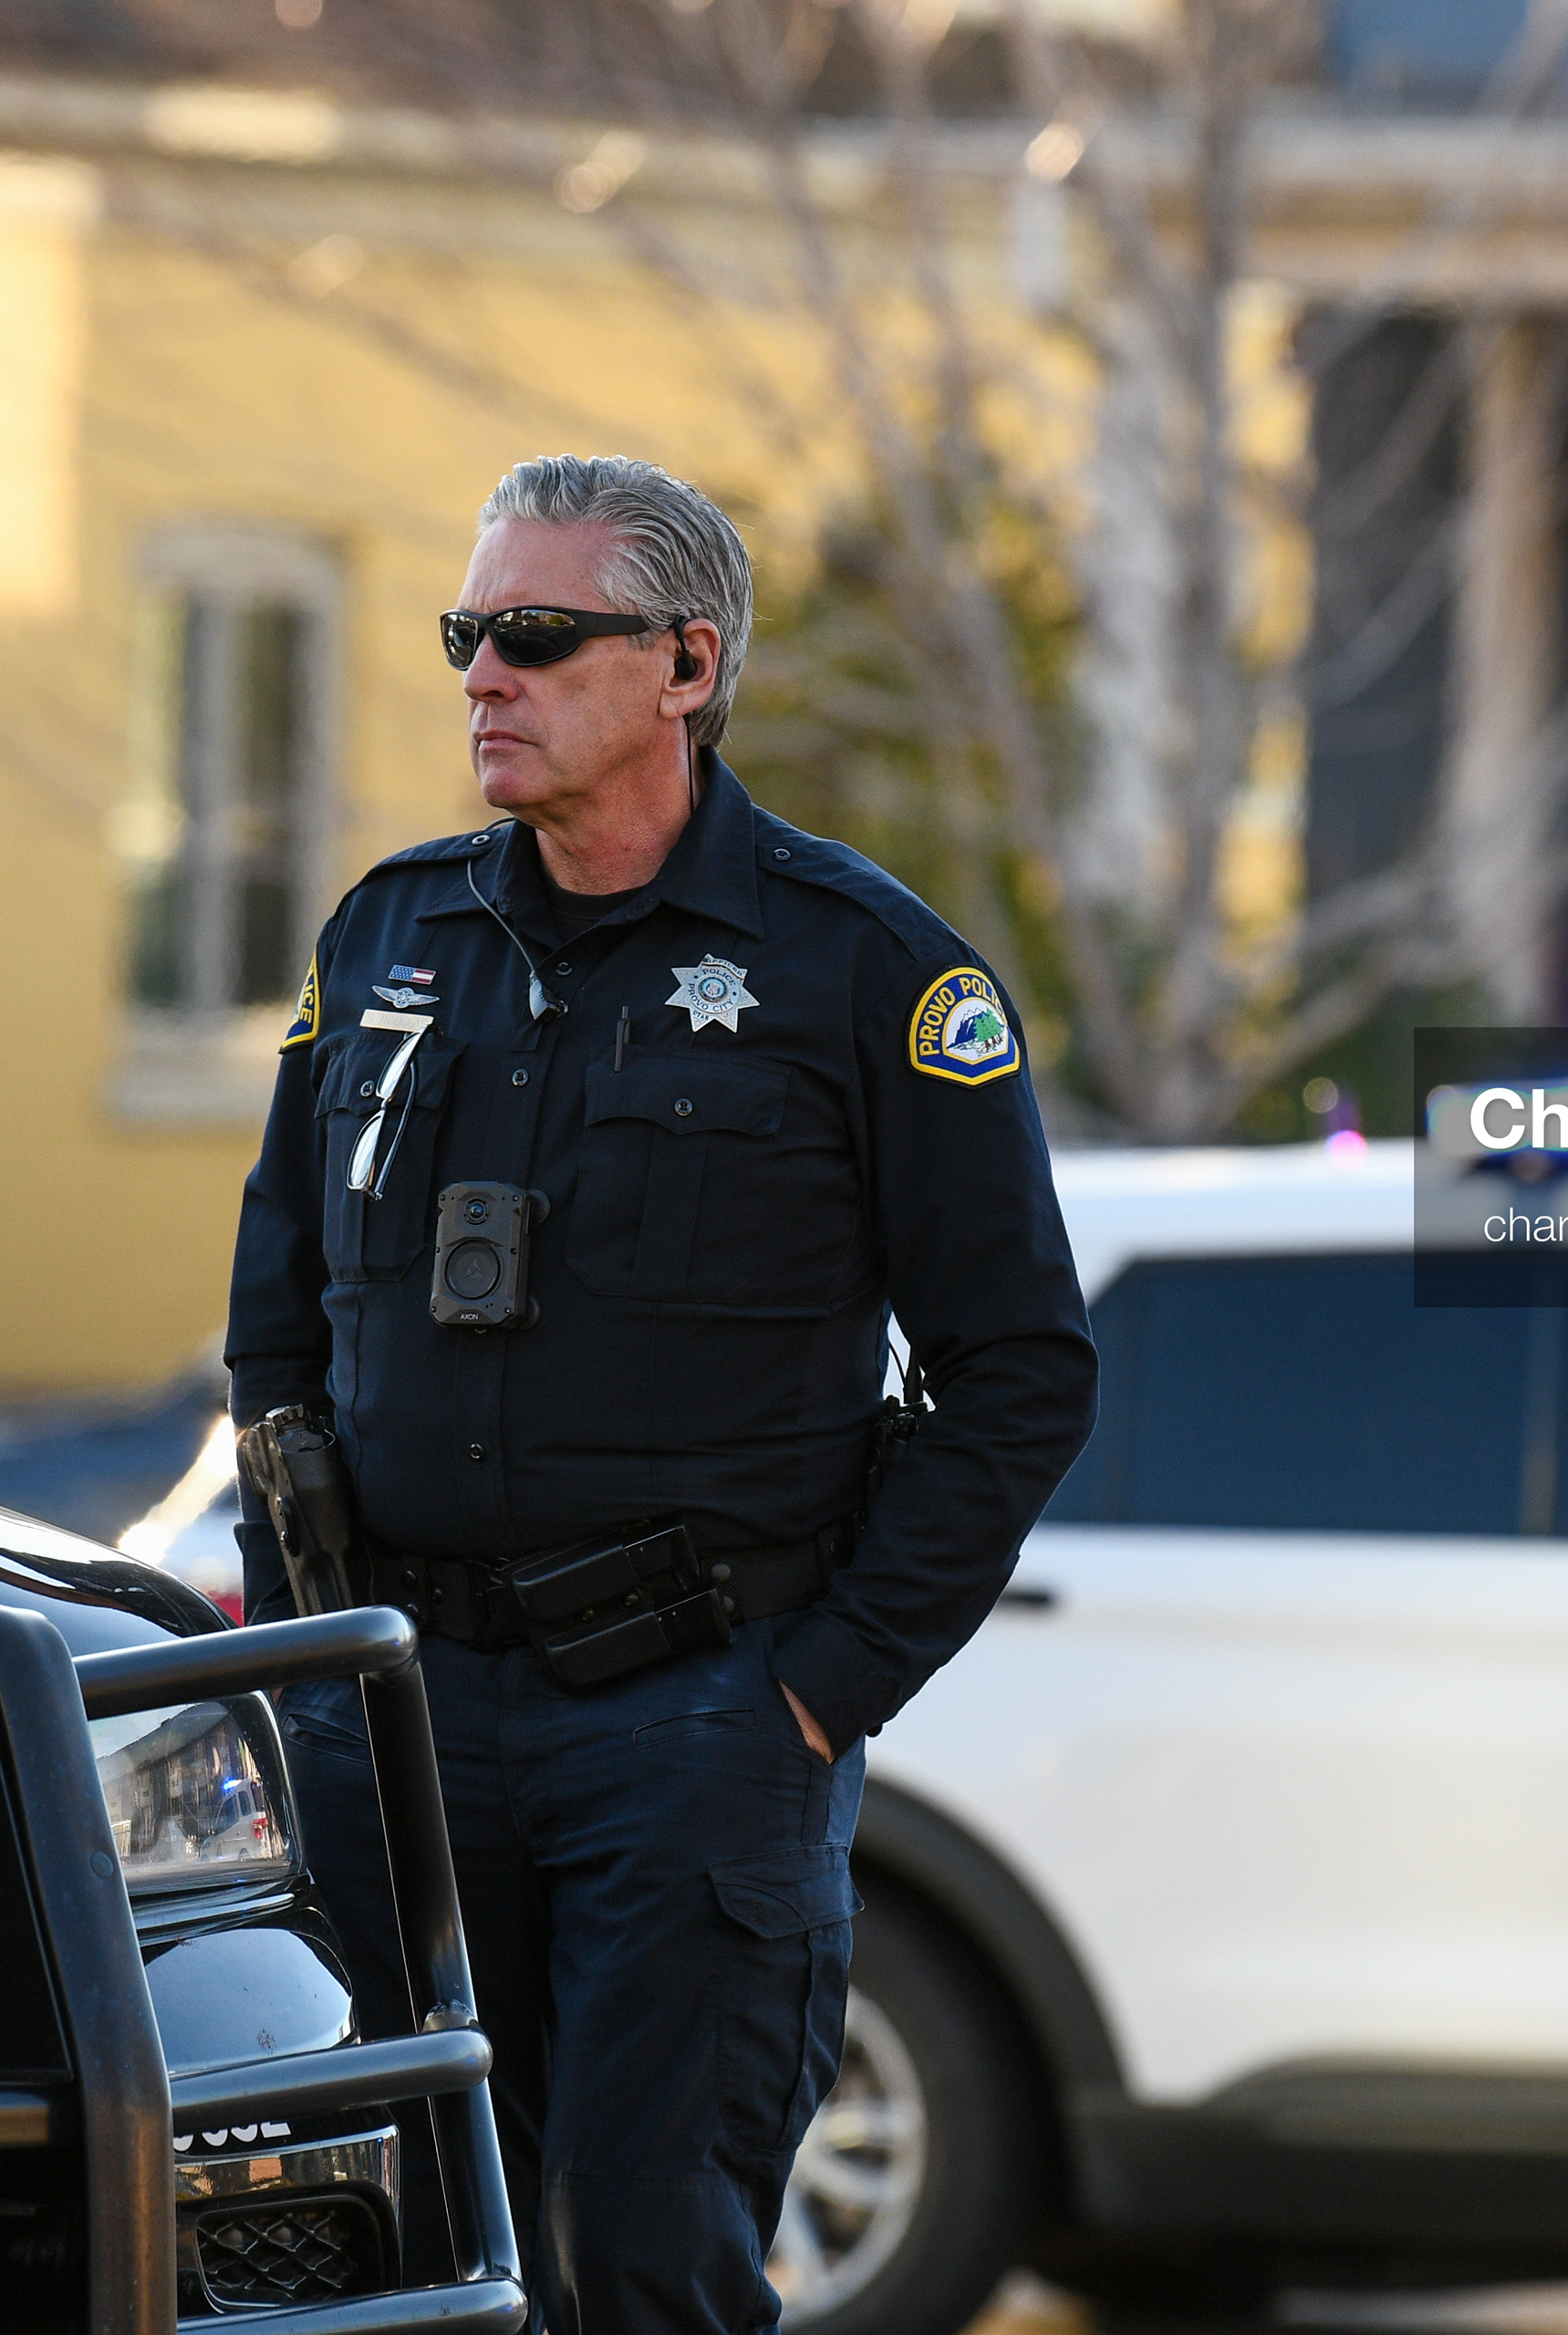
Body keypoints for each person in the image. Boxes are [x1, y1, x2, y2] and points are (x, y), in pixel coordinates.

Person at [226, 453, 1096, 2335]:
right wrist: (313, 1663)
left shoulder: (862, 970)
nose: (485, 676)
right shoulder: (390, 937)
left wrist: (815, 1691)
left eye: (538, 635)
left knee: (638, 2258)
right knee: (397, 2258)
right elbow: (276, 1319)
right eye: (470, 633)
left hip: (695, 1724)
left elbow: (1018, 1369)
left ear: (688, 663)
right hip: (404, 1719)